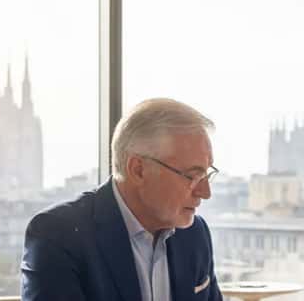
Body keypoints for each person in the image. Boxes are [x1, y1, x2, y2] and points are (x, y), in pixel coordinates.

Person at [21, 98, 223, 301]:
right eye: (192, 176)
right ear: (138, 170)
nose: (205, 192)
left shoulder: (194, 234)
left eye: (206, 174)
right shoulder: (58, 236)